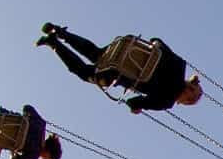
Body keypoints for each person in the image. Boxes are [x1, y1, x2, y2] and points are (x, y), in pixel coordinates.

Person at [37, 24, 204, 111]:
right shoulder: (166, 101)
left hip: (127, 50)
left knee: (96, 53)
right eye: (184, 103)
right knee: (83, 72)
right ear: (187, 98)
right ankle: (53, 43)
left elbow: (156, 40)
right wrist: (135, 108)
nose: (179, 103)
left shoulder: (179, 64)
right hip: (118, 73)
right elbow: (134, 102)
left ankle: (60, 32)